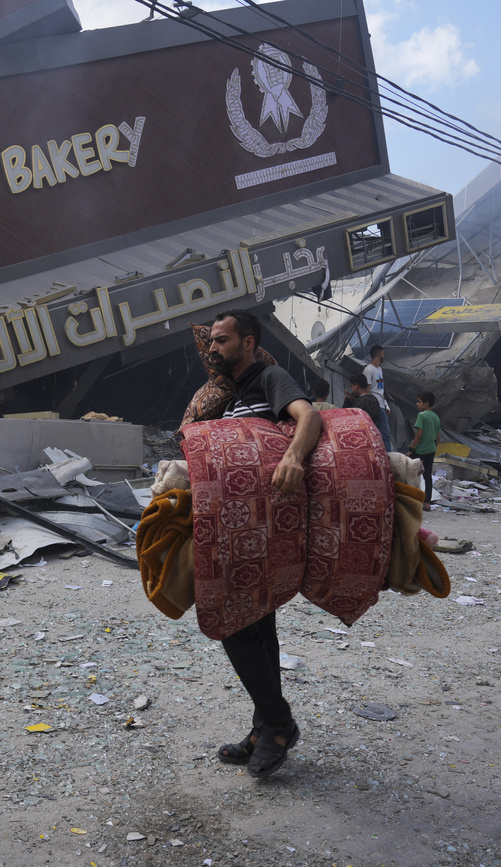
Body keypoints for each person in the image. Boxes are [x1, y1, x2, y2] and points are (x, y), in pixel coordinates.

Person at [207, 309, 321, 777]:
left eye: (222, 340)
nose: (213, 348)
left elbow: (308, 416)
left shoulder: (269, 377)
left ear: (248, 342)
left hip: (269, 526)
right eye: (211, 341)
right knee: (257, 628)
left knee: (230, 622)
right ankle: (263, 728)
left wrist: (294, 457)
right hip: (240, 528)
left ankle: (278, 724)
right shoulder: (232, 398)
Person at [408, 391, 440, 504]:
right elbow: (438, 436)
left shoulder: (421, 415)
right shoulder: (436, 417)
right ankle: (427, 502)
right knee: (427, 476)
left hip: (420, 450)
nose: (417, 404)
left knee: (409, 473)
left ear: (426, 403)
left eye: (419, 402)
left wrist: (412, 448)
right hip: (431, 449)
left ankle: (410, 499)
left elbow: (419, 434)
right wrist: (434, 448)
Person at [363, 345, 393, 448]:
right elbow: (367, 389)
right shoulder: (368, 370)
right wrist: (370, 407)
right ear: (379, 355)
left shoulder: (379, 370)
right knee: (375, 434)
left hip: (381, 406)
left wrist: (386, 405)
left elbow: (381, 389)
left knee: (385, 434)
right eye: (383, 354)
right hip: (374, 406)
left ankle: (387, 457)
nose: (384, 356)